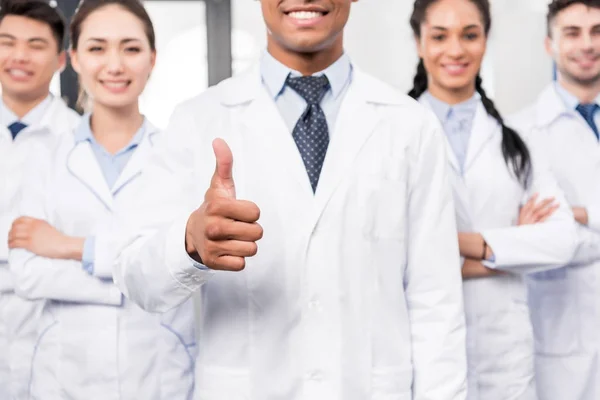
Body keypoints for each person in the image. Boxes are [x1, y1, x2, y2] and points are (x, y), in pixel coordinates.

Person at [113, 0, 469, 398]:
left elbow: (436, 302)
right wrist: (189, 243)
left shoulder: (410, 125)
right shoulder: (198, 119)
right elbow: (135, 276)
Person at [8, 1, 195, 399]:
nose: (115, 65)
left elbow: (183, 269)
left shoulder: (182, 157)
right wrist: (137, 273)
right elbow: (27, 272)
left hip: (159, 370)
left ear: (152, 59)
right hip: (63, 374)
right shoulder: (43, 154)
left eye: (130, 48)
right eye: (96, 48)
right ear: (73, 58)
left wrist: (71, 247)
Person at [407, 0, 578, 398]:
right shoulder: (393, 135)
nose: (456, 50)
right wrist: (511, 246)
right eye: (439, 36)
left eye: (470, 34)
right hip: (422, 356)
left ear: (486, 40)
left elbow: (562, 239)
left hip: (506, 362)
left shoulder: (517, 141)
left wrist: (456, 247)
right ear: (418, 42)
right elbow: (382, 251)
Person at [511, 1, 600, 399]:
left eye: (597, 31)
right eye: (572, 32)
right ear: (550, 44)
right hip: (562, 348)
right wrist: (560, 230)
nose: (587, 44)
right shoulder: (519, 133)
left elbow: (558, 229)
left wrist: (580, 214)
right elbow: (535, 240)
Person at [0, 0, 79, 398]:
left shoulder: (80, 139)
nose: (18, 56)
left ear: (62, 59)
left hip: (50, 318)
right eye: (6, 42)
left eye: (35, 44)